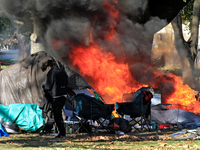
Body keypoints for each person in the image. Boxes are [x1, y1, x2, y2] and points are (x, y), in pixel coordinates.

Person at [41, 59, 68, 138]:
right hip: (64, 95)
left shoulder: (51, 72)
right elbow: (67, 82)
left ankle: (62, 133)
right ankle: (47, 130)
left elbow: (48, 86)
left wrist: (44, 89)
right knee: (54, 113)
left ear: (49, 66)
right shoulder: (63, 72)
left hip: (56, 96)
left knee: (57, 115)